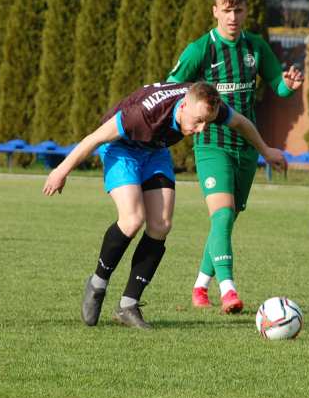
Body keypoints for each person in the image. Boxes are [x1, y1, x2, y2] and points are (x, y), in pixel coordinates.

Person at [42, 81, 286, 329]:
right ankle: (97, 284)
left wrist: (266, 151)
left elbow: (241, 123)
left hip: (155, 151)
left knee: (161, 225)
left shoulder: (207, 104)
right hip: (121, 149)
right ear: (183, 107)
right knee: (132, 219)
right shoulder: (144, 114)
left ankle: (128, 305)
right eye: (198, 121)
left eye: (207, 122)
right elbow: (94, 138)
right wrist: (61, 171)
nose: (202, 129)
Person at [168, 0, 304, 313]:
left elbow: (278, 86)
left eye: (238, 10)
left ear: (246, 12)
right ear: (215, 11)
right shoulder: (200, 49)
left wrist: (287, 85)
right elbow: (172, 89)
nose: (233, 17)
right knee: (223, 214)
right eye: (226, 10)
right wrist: (184, 120)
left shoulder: (255, 47)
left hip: (247, 147)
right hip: (212, 144)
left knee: (225, 221)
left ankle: (200, 285)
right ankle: (229, 290)